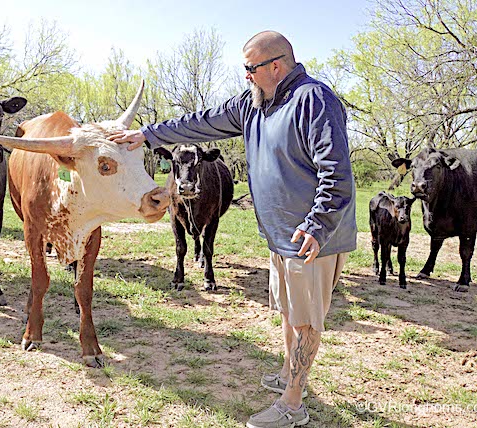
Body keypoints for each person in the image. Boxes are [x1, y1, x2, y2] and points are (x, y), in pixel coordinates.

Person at [109, 30, 356, 428]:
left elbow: (337, 170)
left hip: (311, 238)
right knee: (290, 314)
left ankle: (293, 403)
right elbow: (200, 123)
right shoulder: (252, 104)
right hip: (280, 235)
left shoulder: (314, 100)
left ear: (275, 66)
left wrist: (318, 224)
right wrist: (148, 135)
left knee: (307, 321)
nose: (245, 76)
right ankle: (289, 375)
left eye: (250, 68)